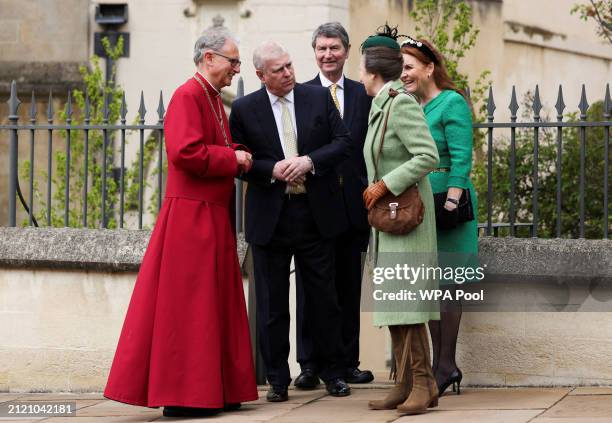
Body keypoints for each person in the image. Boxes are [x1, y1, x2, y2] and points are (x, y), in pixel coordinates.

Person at [104, 28, 258, 418]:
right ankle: (185, 394)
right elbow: (186, 152)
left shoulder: (210, 97)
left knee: (214, 305)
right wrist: (232, 160)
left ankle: (216, 389)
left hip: (210, 214)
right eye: (232, 62)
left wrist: (236, 152)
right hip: (191, 216)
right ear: (209, 58)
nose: (236, 70)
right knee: (190, 309)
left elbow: (212, 144)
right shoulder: (188, 95)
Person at [229, 41, 352, 402]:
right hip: (271, 218)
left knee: (323, 300)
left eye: (289, 66)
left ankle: (332, 372)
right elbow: (239, 159)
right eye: (279, 69)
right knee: (272, 305)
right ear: (260, 75)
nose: (288, 73)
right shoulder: (244, 109)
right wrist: (271, 169)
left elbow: (343, 143)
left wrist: (309, 161)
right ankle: (277, 380)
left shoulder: (316, 97)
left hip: (315, 215)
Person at [358, 26, 440, 415]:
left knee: (408, 304)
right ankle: (405, 382)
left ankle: (423, 383)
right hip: (389, 224)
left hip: (408, 220)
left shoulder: (401, 103)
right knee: (396, 304)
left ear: (372, 70)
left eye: (361, 67)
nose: (359, 74)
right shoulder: (381, 104)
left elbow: (427, 156)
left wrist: (383, 185)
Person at [293, 22, 374, 390]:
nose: (328, 55)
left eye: (335, 48)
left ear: (346, 50)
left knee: (346, 286)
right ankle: (309, 365)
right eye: (322, 48)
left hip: (354, 206)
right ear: (314, 52)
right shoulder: (300, 93)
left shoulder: (363, 94)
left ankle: (346, 362)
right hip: (312, 208)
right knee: (311, 289)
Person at [400, 36, 478, 397]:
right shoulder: (415, 105)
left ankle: (446, 364)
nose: (404, 74)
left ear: (429, 68)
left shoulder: (452, 102)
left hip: (449, 204)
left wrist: (453, 200)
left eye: (409, 67)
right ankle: (438, 366)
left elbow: (462, 155)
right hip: (423, 206)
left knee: (450, 285)